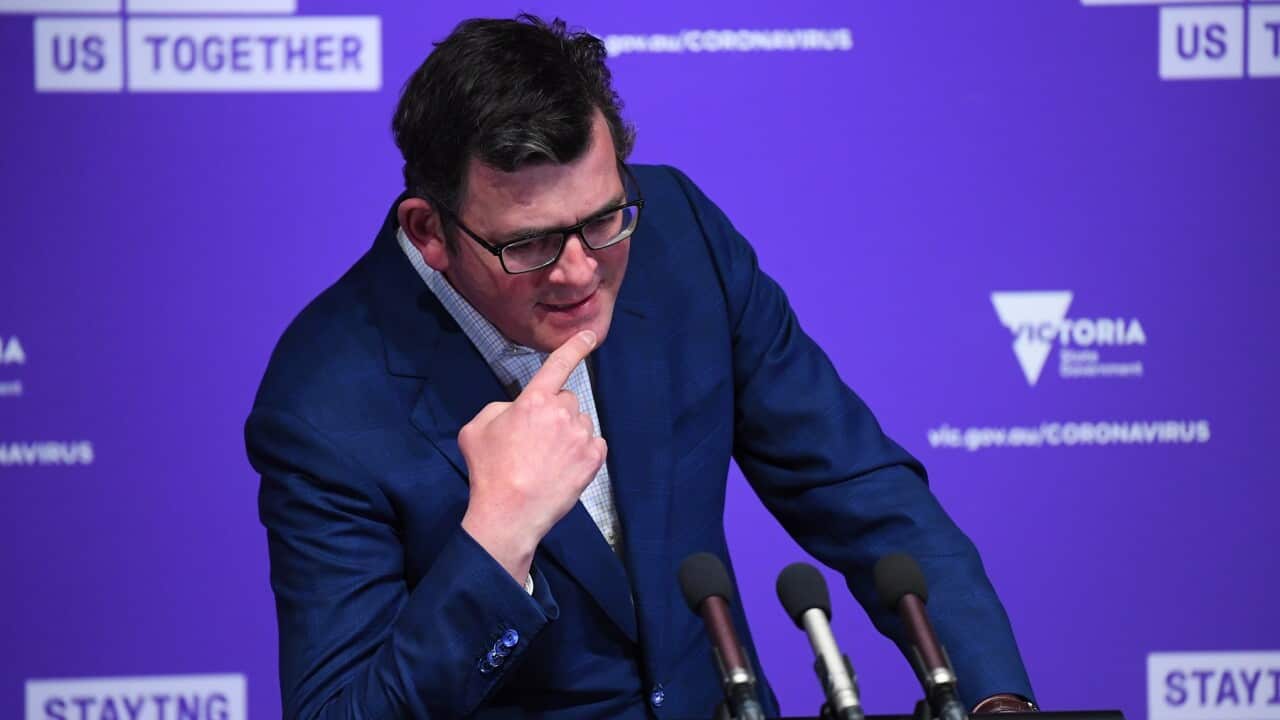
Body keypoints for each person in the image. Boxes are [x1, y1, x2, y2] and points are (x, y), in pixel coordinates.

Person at [246, 14, 1036, 720]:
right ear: (429, 232)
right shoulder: (326, 404)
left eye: (602, 219)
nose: (581, 270)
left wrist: (995, 696)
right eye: (530, 244)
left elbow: (855, 486)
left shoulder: (678, 238)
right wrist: (495, 542)